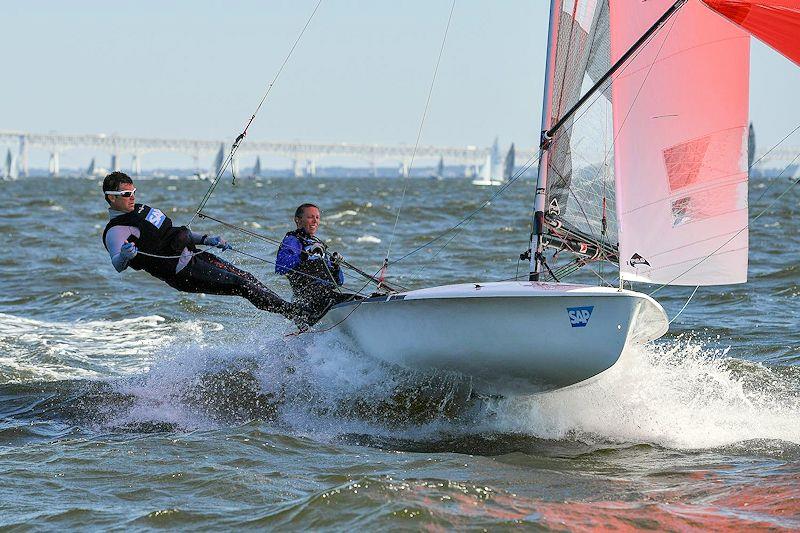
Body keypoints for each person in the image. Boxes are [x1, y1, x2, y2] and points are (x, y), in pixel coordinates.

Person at [101, 171, 307, 324]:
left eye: (133, 191)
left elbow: (175, 233)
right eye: (127, 193)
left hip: (195, 255)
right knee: (241, 284)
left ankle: (294, 313)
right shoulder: (116, 231)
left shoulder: (142, 210)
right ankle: (296, 314)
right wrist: (125, 256)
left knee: (247, 277)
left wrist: (208, 239)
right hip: (184, 273)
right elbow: (117, 264)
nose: (133, 196)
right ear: (112, 197)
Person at [275, 203, 359, 323]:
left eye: (318, 217)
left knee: (359, 299)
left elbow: (338, 282)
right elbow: (280, 267)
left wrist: (335, 266)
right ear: (297, 220)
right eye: (310, 217)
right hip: (307, 302)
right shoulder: (292, 240)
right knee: (355, 301)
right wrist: (305, 254)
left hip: (325, 298)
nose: (315, 221)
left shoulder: (317, 245)